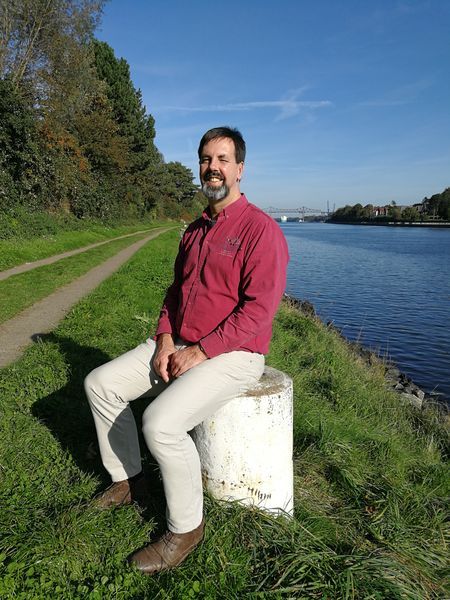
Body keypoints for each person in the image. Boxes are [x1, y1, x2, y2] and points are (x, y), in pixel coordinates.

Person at [84, 126, 289, 575]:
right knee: (100, 384)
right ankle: (128, 480)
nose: (213, 168)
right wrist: (164, 338)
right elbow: (175, 293)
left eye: (222, 159)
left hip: (235, 353)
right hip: (180, 341)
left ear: (240, 169)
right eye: (205, 159)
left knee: (160, 423)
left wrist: (201, 350)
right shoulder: (195, 230)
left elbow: (259, 311)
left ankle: (186, 528)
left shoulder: (261, 231)